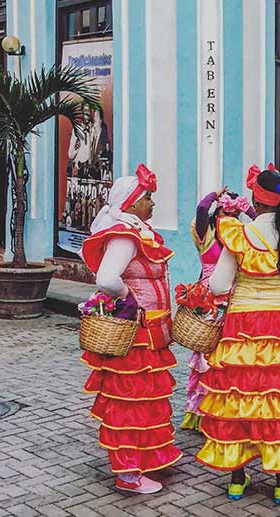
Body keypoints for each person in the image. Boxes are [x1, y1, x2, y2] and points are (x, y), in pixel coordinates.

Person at [197, 164, 280, 505]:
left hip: (243, 324)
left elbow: (219, 285)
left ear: (255, 198)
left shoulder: (240, 234)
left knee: (239, 397)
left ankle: (238, 479)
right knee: (277, 401)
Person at [79, 164, 182, 494]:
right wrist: (130, 299)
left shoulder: (138, 231)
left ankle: (147, 460)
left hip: (150, 334)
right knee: (129, 402)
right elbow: (107, 278)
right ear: (131, 202)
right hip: (135, 338)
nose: (153, 202)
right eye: (148, 197)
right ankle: (129, 474)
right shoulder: (124, 236)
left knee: (146, 401)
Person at [180, 188, 257, 431]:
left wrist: (250, 210)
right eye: (226, 212)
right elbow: (202, 209)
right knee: (207, 355)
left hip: (237, 297)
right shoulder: (206, 232)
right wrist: (216, 194)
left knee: (231, 354)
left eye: (235, 215)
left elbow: (265, 225)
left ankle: (229, 407)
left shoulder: (243, 235)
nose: (230, 219)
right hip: (209, 297)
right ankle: (204, 412)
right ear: (217, 213)